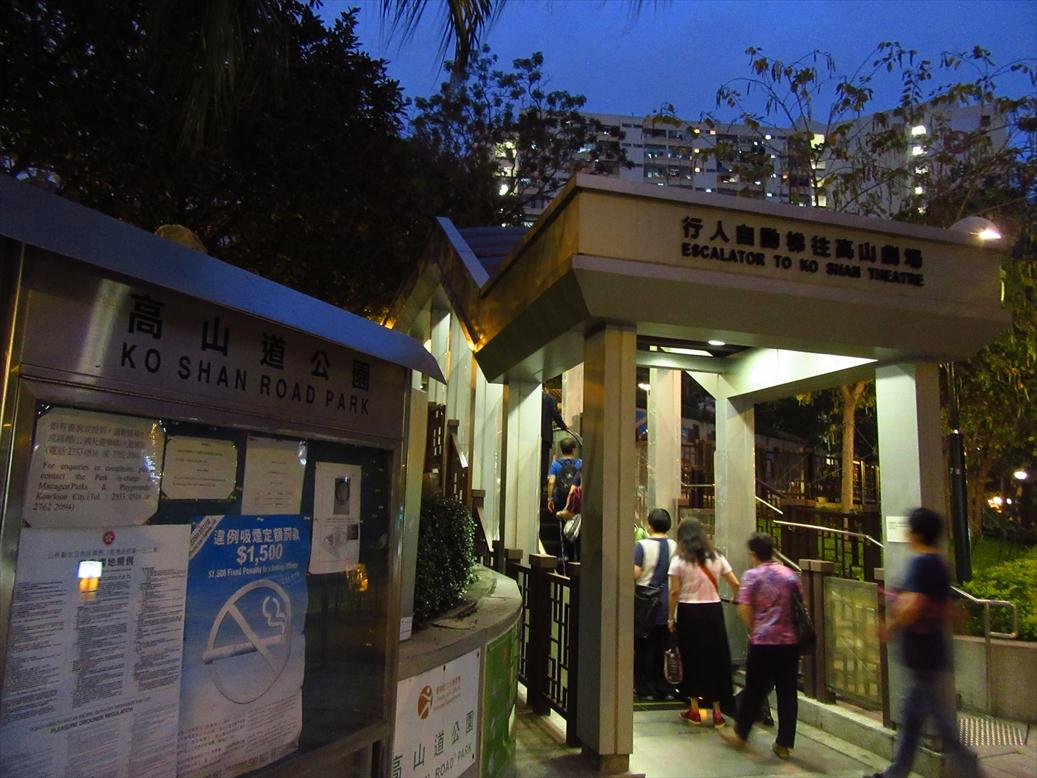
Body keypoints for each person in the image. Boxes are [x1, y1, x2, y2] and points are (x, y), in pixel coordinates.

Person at [865, 508, 980, 778]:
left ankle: (970, 770)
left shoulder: (922, 564)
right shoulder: (939, 563)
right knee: (915, 718)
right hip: (931, 651)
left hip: (922, 653)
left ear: (916, 533)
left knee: (938, 722)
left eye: (910, 528)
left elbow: (914, 604)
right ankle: (897, 772)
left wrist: (890, 624)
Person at [720, 532, 800, 759]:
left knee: (755, 688)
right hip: (789, 642)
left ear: (754, 554)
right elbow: (799, 604)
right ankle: (784, 744)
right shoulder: (789, 575)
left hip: (763, 641)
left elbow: (744, 609)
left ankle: (741, 734)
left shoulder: (753, 576)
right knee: (787, 692)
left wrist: (756, 627)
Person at [667, 518, 740, 726]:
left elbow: (674, 592)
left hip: (689, 612)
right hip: (713, 612)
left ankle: (695, 710)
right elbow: (735, 583)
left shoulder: (678, 560)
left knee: (692, 659)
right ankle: (717, 713)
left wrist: (671, 617)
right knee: (716, 659)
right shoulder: (717, 556)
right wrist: (735, 597)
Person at [634, 508, 677, 699]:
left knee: (644, 646)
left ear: (649, 525)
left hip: (645, 601)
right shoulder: (674, 546)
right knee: (662, 645)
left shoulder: (641, 546)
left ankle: (644, 688)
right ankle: (663, 686)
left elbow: (635, 573)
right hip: (666, 600)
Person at [541, 388, 568, 505]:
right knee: (543, 462)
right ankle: (542, 487)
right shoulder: (550, 399)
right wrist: (563, 426)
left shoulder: (528, 397)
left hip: (530, 438)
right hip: (545, 436)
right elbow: (555, 414)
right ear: (545, 388)